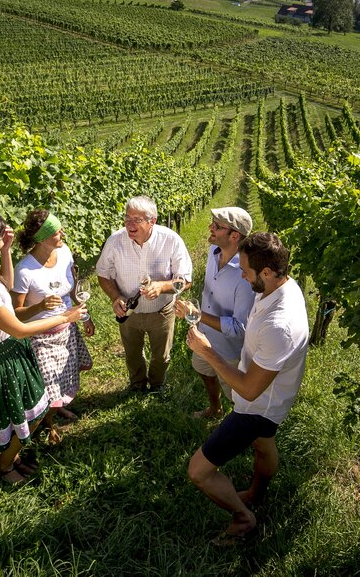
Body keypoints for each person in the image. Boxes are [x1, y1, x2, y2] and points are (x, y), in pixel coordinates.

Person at [185, 231, 308, 544]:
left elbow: (251, 390)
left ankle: (243, 519)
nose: (241, 273)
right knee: (263, 444)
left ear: (265, 272)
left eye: (246, 270)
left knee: (198, 471)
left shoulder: (279, 324)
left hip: (258, 408)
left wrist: (207, 351)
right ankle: (256, 493)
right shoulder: (280, 286)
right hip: (269, 399)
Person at [0, 209, 87, 486]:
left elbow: (7, 285)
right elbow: (18, 328)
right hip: (3, 356)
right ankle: (2, 465)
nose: (6, 238)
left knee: (18, 411)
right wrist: (64, 317)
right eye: (1, 237)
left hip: (1, 353)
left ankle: (12, 456)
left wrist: (6, 251)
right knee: (33, 413)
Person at [11, 209, 94, 445]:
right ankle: (47, 425)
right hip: (41, 337)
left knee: (64, 375)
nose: (63, 235)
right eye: (57, 233)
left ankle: (55, 413)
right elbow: (16, 314)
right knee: (47, 387)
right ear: (41, 238)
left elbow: (74, 287)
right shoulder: (25, 270)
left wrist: (85, 316)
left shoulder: (64, 252)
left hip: (67, 330)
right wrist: (40, 306)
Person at [96, 195, 193, 393]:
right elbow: (103, 274)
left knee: (161, 355)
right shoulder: (115, 241)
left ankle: (157, 386)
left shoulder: (170, 240)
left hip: (162, 311)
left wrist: (162, 287)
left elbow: (186, 280)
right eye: (127, 218)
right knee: (132, 354)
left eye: (137, 220)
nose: (130, 224)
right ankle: (137, 385)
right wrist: (116, 297)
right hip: (129, 312)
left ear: (152, 221)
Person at [175, 207, 256, 420]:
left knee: (237, 397)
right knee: (204, 371)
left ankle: (240, 429)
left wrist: (198, 315)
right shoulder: (214, 252)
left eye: (217, 226)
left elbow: (240, 329)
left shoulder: (245, 276)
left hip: (229, 352)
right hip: (205, 337)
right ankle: (215, 409)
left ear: (234, 235)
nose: (210, 227)